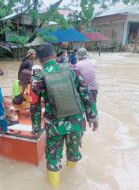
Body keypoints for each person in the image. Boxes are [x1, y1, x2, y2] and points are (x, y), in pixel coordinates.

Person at [31, 44, 98, 187]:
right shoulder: (72, 69)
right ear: (55, 55)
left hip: (55, 125)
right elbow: (85, 93)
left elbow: (34, 107)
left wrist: (36, 128)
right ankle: (73, 182)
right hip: (77, 122)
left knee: (53, 158)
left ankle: (54, 186)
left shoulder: (37, 79)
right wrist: (93, 115)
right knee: (74, 152)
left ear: (40, 60)